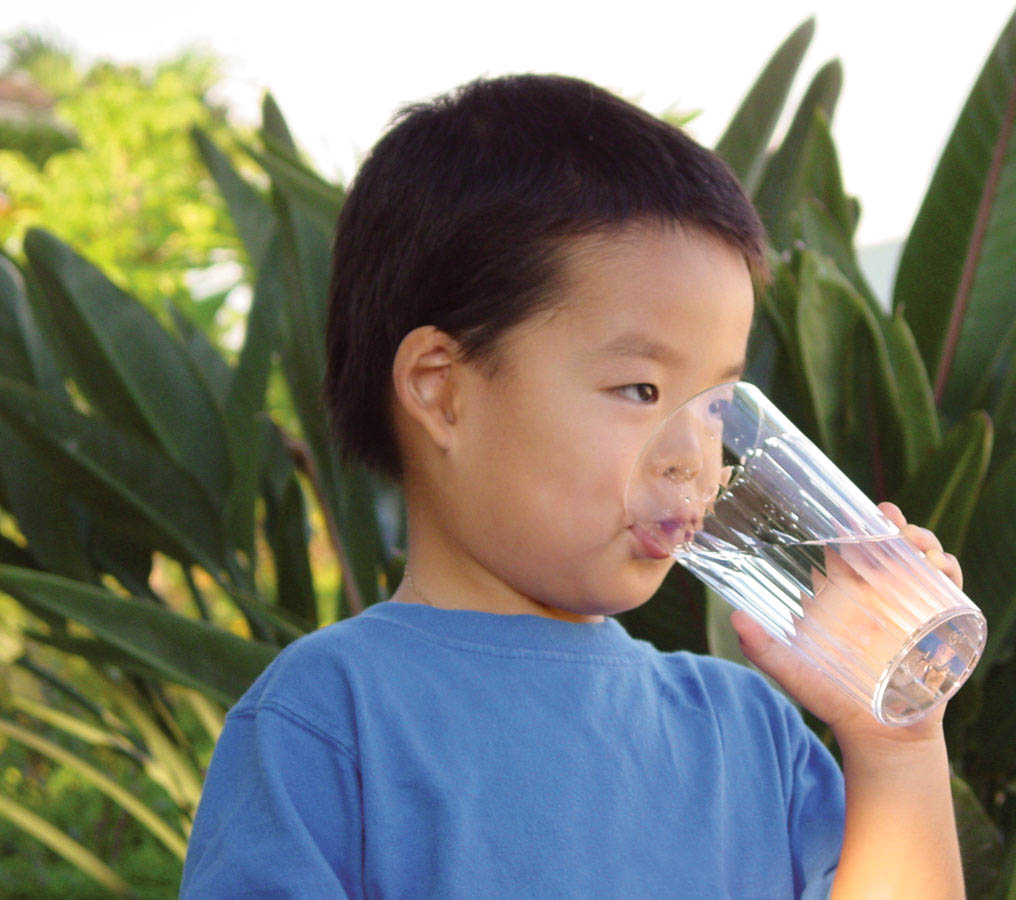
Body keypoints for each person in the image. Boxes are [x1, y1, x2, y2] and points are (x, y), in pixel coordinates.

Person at [180, 73, 967, 898]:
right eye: (640, 391)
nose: (694, 458)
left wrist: (895, 742)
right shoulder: (332, 719)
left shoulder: (750, 736)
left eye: (718, 406)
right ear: (443, 390)